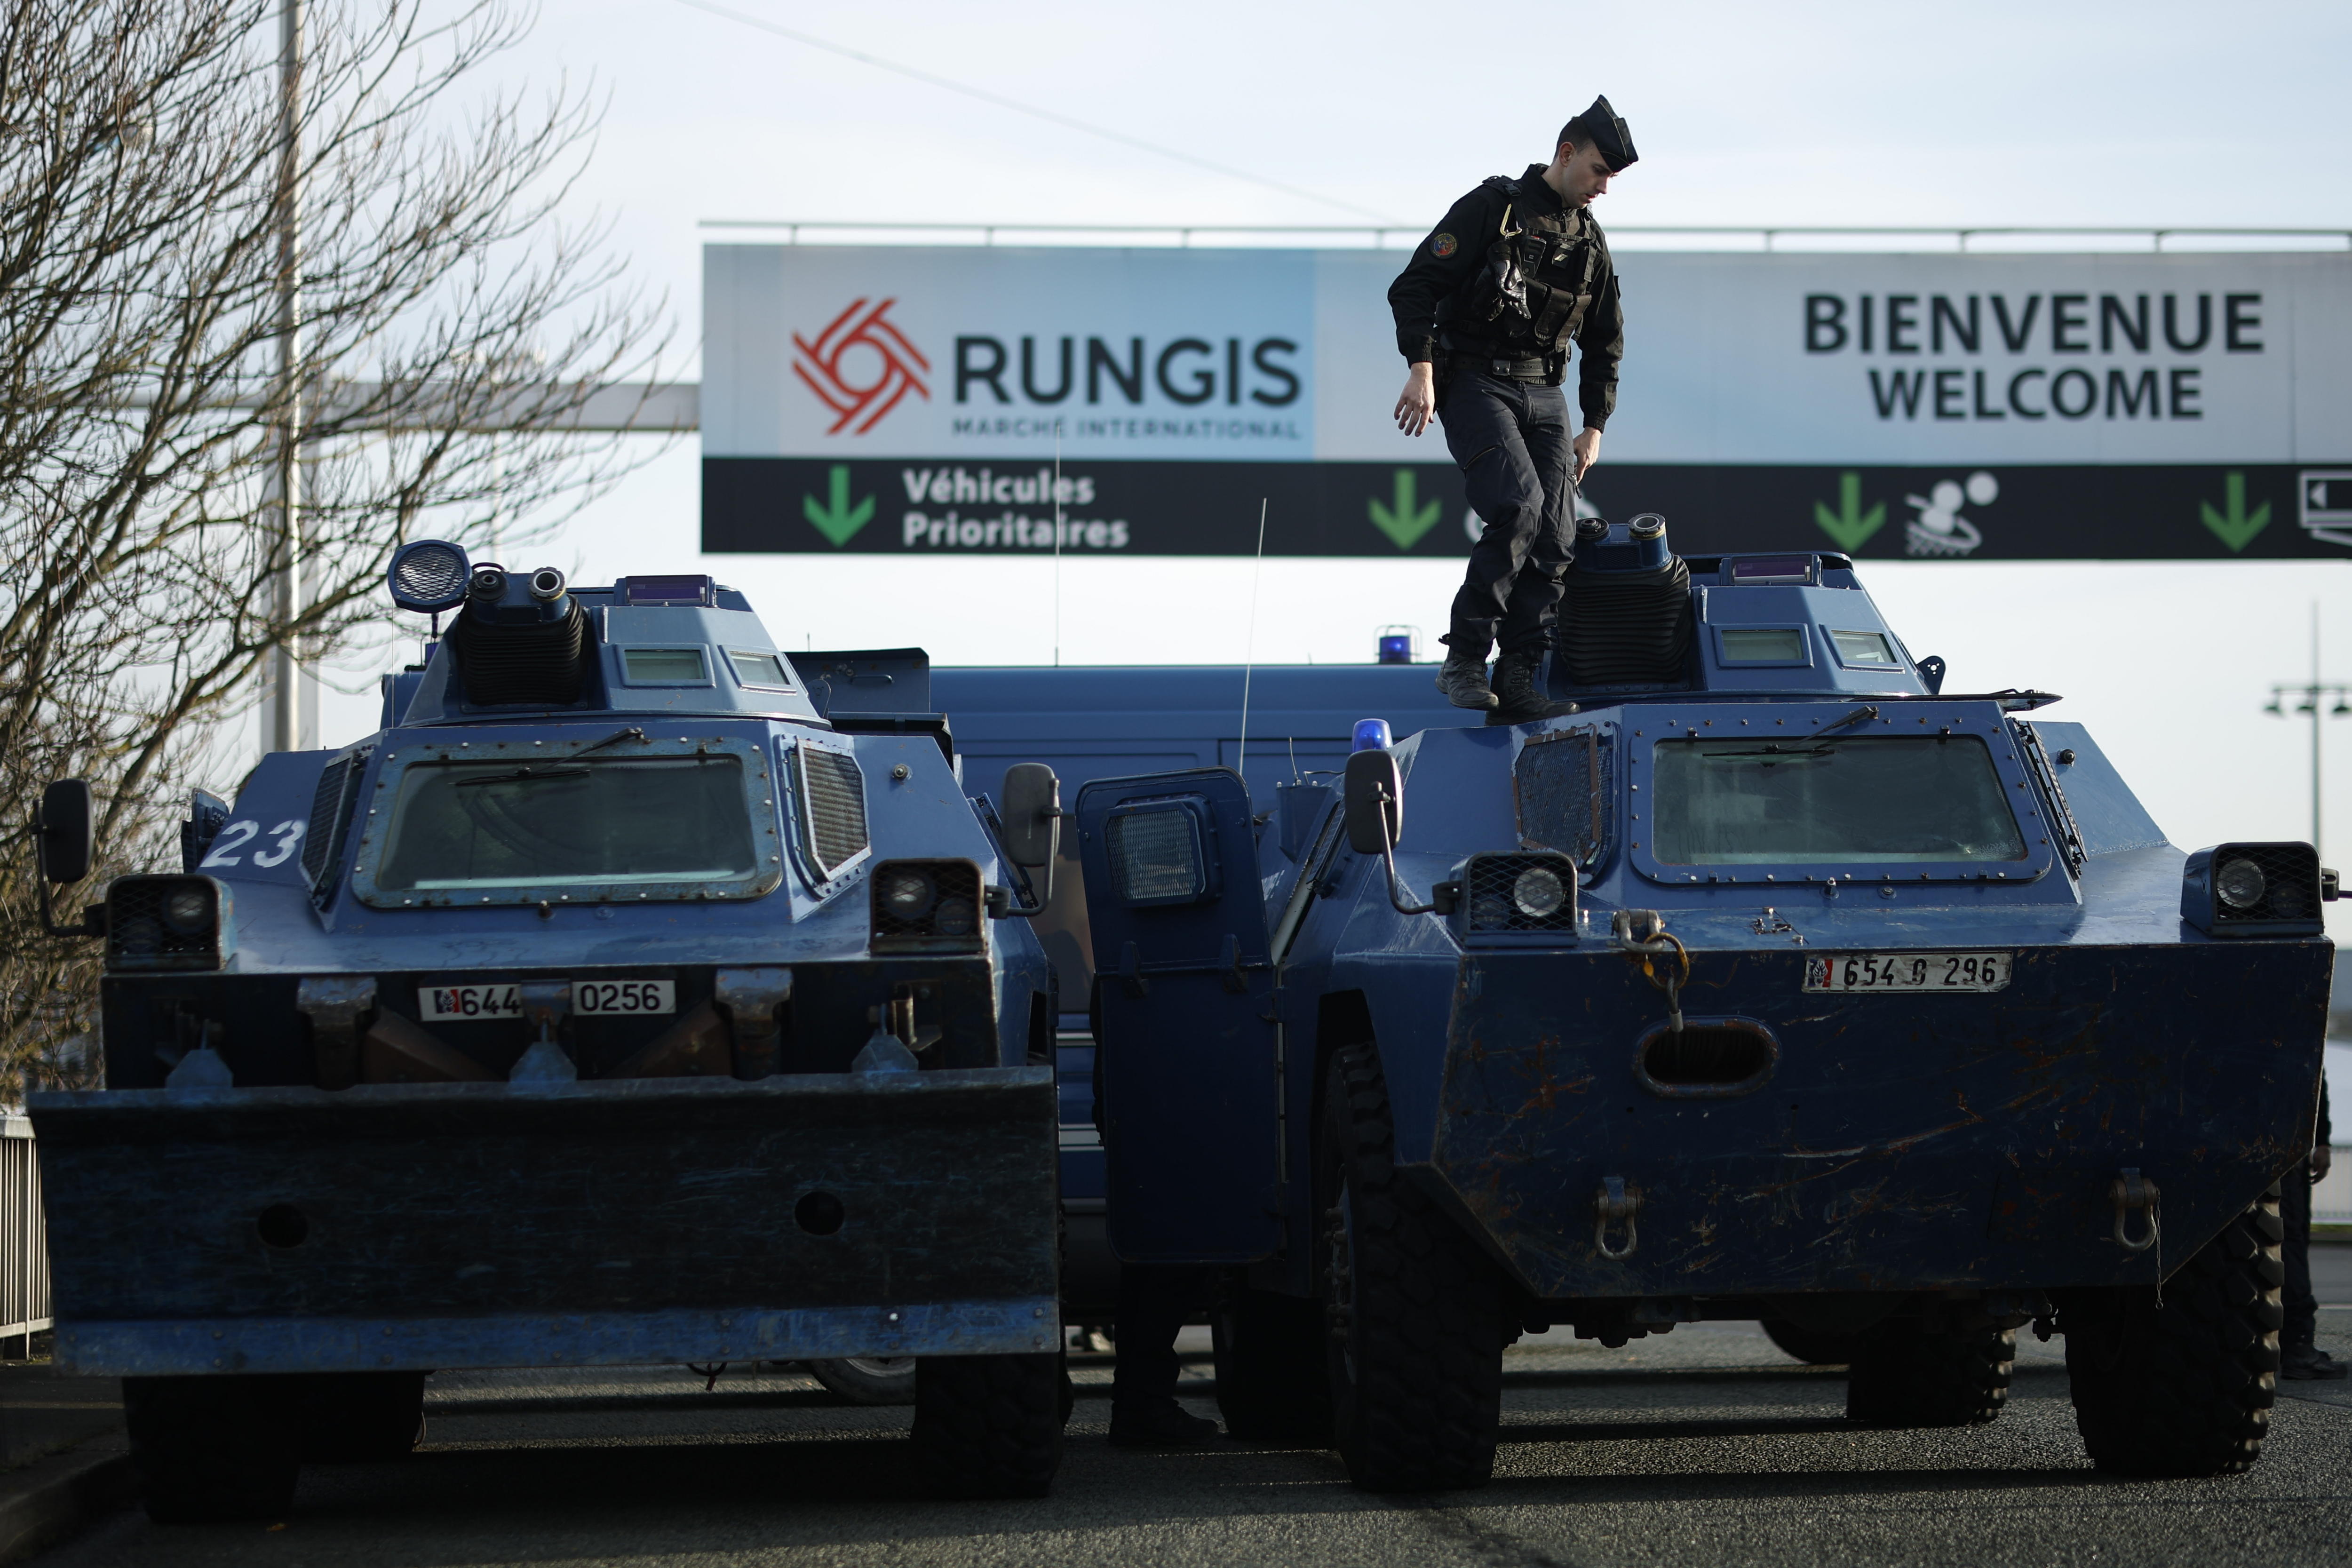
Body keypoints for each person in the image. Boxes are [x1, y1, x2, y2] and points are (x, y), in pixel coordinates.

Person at [1389, 96, 1634, 724]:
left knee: (1557, 537)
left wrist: (1594, 426)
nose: (1604, 187)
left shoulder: (1590, 240)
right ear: (1566, 152)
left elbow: (1606, 338)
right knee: (1518, 508)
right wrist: (1421, 368)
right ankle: (1466, 658)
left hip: (1546, 395)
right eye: (1599, 171)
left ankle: (1518, 677)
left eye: (1613, 178)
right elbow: (1415, 286)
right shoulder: (1492, 209)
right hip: (1473, 381)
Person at [2282, 1079, 2344, 1379]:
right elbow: (2316, 1085)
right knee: (2290, 1244)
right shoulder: (2294, 1034)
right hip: (2286, 1151)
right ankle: (2297, 1346)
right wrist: (2322, 1142)